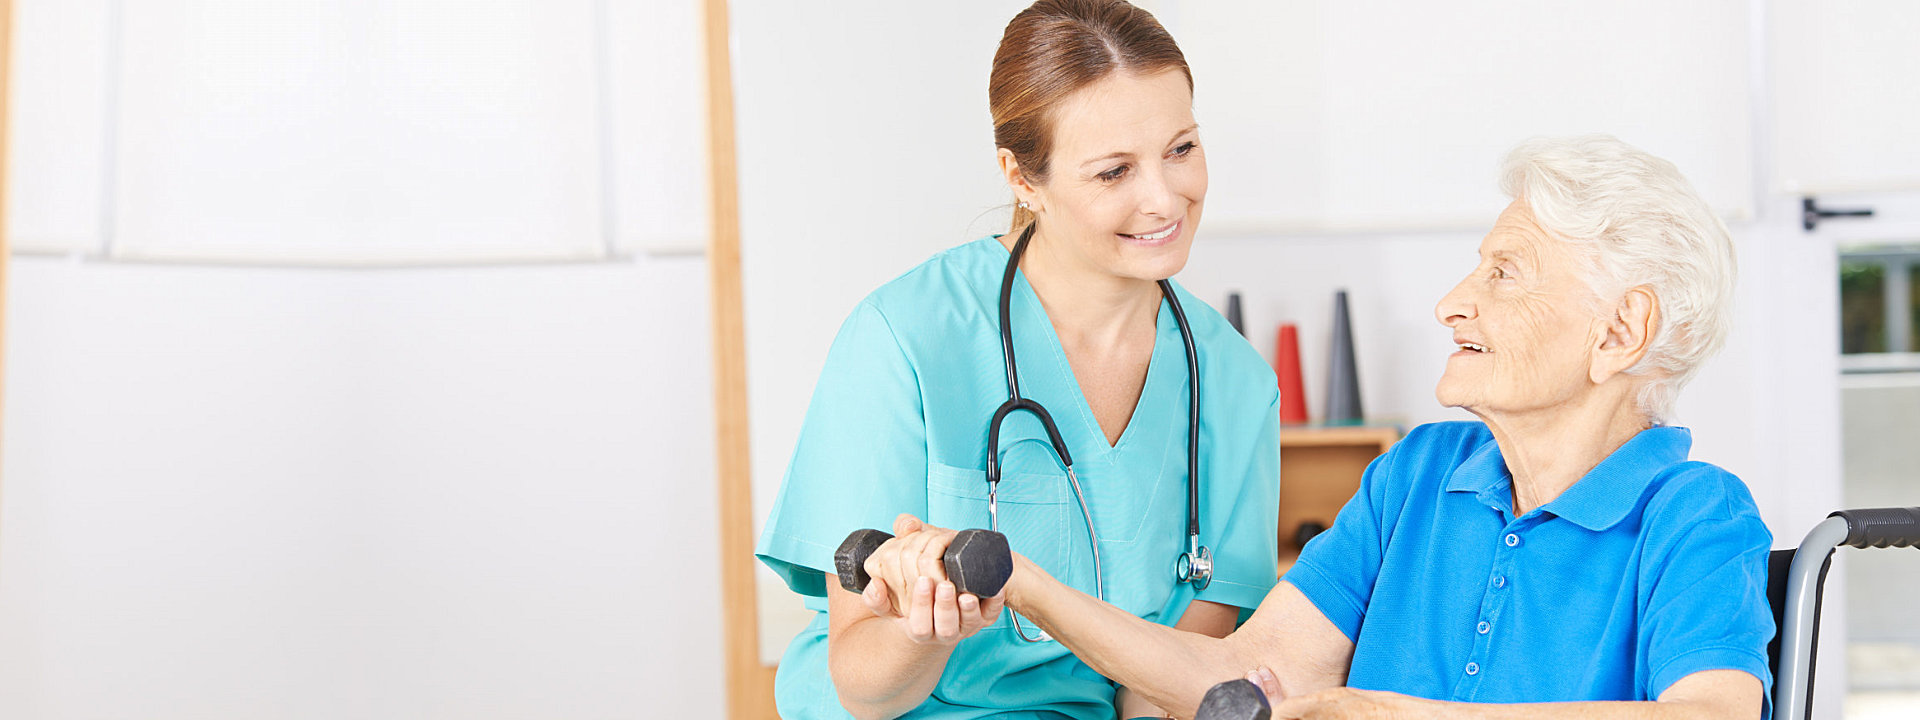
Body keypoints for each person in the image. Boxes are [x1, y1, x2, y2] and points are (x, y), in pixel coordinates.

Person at [865, 135, 1776, 719]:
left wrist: (1403, 717)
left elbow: (1712, 716)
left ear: (1621, 332)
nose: (1452, 303)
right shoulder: (1421, 473)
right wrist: (1023, 582)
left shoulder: (1696, 517)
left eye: (1506, 274)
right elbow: (1242, 674)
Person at [752, 2, 1281, 719]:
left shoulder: (1234, 382)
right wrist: (926, 630)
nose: (1164, 198)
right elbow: (864, 688)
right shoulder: (904, 339)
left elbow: (1189, 655)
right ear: (1022, 178)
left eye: (1181, 149)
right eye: (1112, 172)